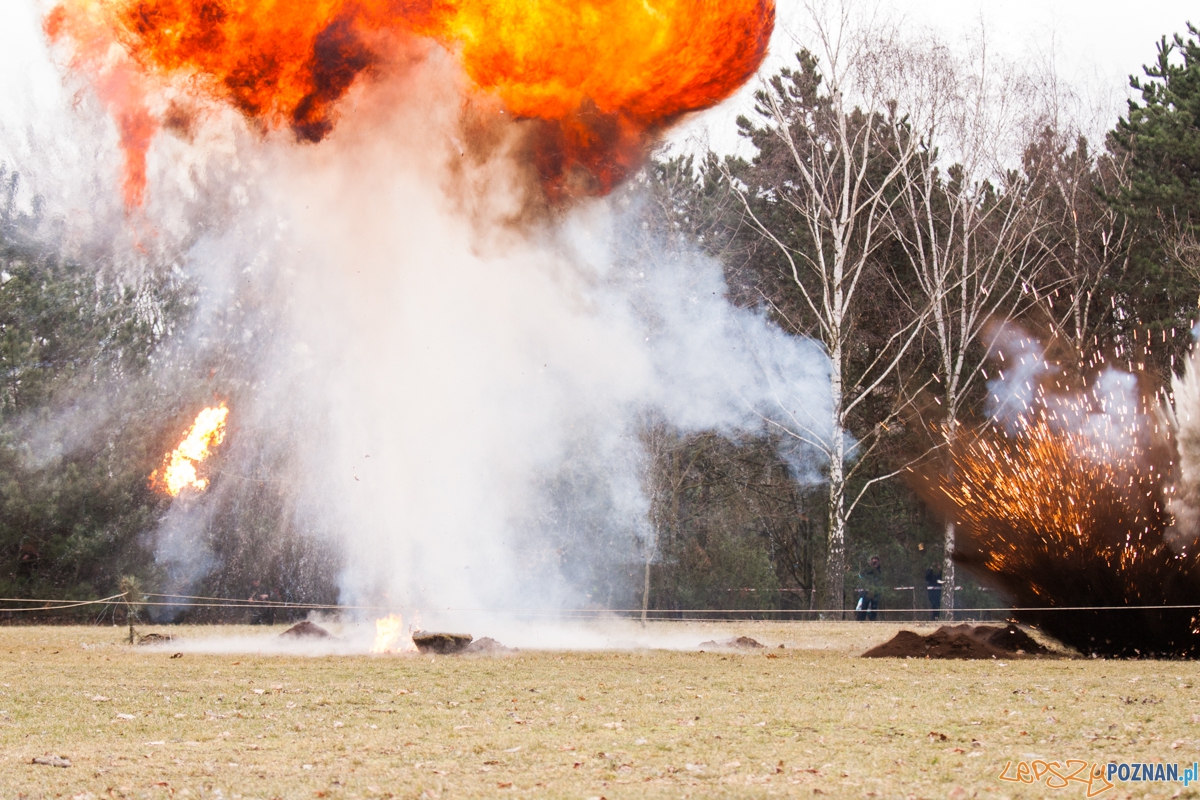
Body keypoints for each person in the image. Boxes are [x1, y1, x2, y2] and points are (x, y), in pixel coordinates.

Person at [856, 555, 883, 621]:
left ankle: (873, 620)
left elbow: (881, 580)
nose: (874, 563)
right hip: (866, 591)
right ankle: (861, 620)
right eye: (873, 562)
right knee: (864, 607)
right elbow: (861, 577)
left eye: (876, 562)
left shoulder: (880, 571)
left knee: (874, 608)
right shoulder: (867, 570)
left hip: (876, 592)